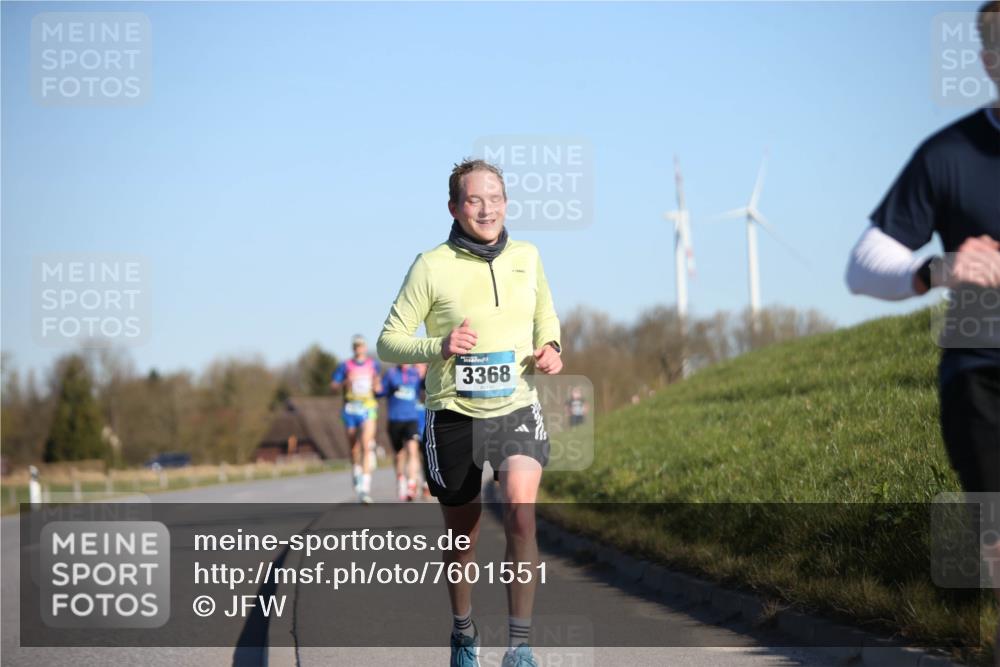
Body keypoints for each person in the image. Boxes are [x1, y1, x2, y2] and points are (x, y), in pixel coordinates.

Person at [845, 3, 999, 660]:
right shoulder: (947, 154)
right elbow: (862, 264)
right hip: (980, 369)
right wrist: (937, 267)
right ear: (987, 58)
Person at [378, 158, 562, 667]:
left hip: (516, 406)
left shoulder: (528, 255)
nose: (486, 209)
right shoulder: (430, 265)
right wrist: (439, 345)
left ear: (506, 203)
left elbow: (545, 313)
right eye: (474, 200)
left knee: (522, 514)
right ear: (455, 207)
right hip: (454, 413)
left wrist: (550, 346)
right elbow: (388, 341)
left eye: (495, 198)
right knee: (464, 536)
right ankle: (463, 631)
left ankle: (520, 647)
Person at [331, 335, 382, 504]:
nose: (358, 348)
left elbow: (378, 386)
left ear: (365, 347)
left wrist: (376, 386)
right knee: (354, 447)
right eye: (355, 346)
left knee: (366, 445)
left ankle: (365, 488)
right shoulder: (345, 366)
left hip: (368, 407)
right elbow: (333, 387)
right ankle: (355, 470)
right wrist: (345, 381)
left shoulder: (373, 364)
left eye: (361, 346)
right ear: (353, 348)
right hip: (351, 408)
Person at [381, 362, 426, 501]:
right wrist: (376, 386)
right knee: (399, 455)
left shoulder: (415, 373)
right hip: (395, 419)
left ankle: (412, 484)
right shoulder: (391, 374)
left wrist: (424, 374)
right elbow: (380, 392)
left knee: (413, 450)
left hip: (411, 419)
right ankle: (401, 480)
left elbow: (426, 386)